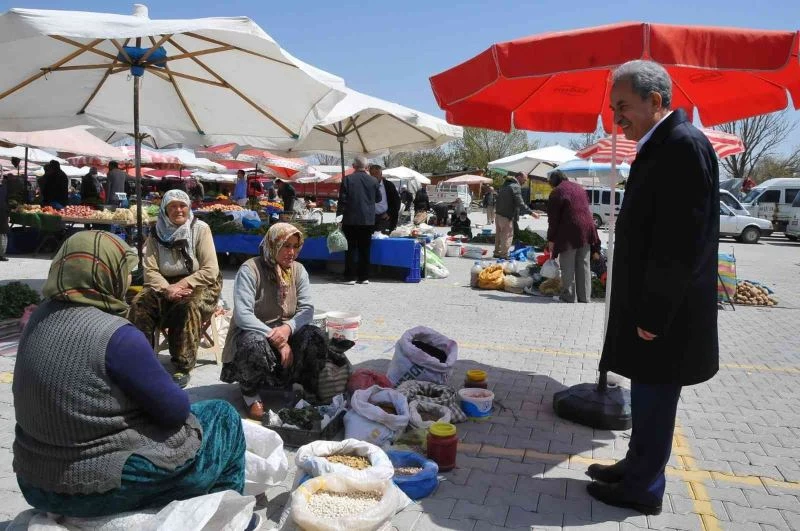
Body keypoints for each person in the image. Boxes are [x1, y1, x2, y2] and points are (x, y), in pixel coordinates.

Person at [12, 231, 246, 518]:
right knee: (223, 417)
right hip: (90, 486)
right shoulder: (117, 337)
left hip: (32, 478)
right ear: (109, 275)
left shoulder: (38, 317)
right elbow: (175, 411)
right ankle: (226, 516)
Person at [586, 60, 719, 515]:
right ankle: (636, 465)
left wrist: (653, 313)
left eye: (622, 106)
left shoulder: (682, 145)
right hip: (652, 305)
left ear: (655, 101)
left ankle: (642, 489)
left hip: (666, 313)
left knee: (656, 400)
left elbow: (681, 242)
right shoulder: (661, 144)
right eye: (612, 107)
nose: (615, 116)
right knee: (644, 398)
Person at [220, 223, 329, 420]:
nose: (291, 252)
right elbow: (244, 315)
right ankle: (251, 394)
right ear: (273, 244)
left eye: (295, 246)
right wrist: (277, 339)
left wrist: (287, 329)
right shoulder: (250, 269)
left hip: (286, 331)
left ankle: (306, 387)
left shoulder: (298, 270)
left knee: (316, 335)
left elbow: (307, 309)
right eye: (286, 246)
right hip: (255, 331)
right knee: (253, 344)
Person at [129, 190, 222, 388]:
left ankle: (182, 365)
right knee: (140, 304)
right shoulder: (156, 233)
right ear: (165, 209)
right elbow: (150, 270)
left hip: (200, 281)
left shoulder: (200, 229)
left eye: (183, 206)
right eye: (173, 206)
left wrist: (180, 285)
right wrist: (167, 288)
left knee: (187, 306)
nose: (178, 210)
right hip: (164, 282)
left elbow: (210, 269)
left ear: (189, 208)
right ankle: (140, 360)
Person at [546, 170, 601, 303]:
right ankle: (585, 296)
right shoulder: (579, 188)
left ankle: (569, 296)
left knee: (568, 264)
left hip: (569, 231)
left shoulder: (557, 192)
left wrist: (551, 239)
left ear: (553, 181)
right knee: (583, 264)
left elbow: (553, 219)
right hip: (588, 229)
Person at [336, 156, 381, 285]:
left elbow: (342, 200)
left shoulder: (348, 179)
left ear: (353, 166)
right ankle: (364, 277)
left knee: (350, 248)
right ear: (367, 167)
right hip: (368, 220)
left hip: (350, 219)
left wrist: (338, 217)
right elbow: (378, 199)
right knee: (365, 249)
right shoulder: (373, 181)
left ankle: (350, 277)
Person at [494, 172, 531, 258]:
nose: (524, 182)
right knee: (507, 235)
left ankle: (497, 252)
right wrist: (531, 212)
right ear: (519, 177)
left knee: (499, 235)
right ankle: (504, 255)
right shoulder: (515, 186)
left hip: (498, 214)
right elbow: (520, 202)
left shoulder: (505, 184)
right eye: (524, 180)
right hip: (507, 215)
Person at [369, 164, 400, 233]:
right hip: (370, 219)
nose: (375, 176)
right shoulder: (366, 186)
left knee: (383, 238)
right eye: (372, 174)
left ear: (381, 174)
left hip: (384, 218)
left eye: (377, 173)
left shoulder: (389, 185)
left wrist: (389, 213)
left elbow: (396, 202)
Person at [0, 176, 8, 261]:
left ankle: (1, 254)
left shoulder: (4, 188)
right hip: (2, 212)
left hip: (2, 212)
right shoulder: (4, 188)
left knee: (2, 234)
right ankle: (1, 254)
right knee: (2, 234)